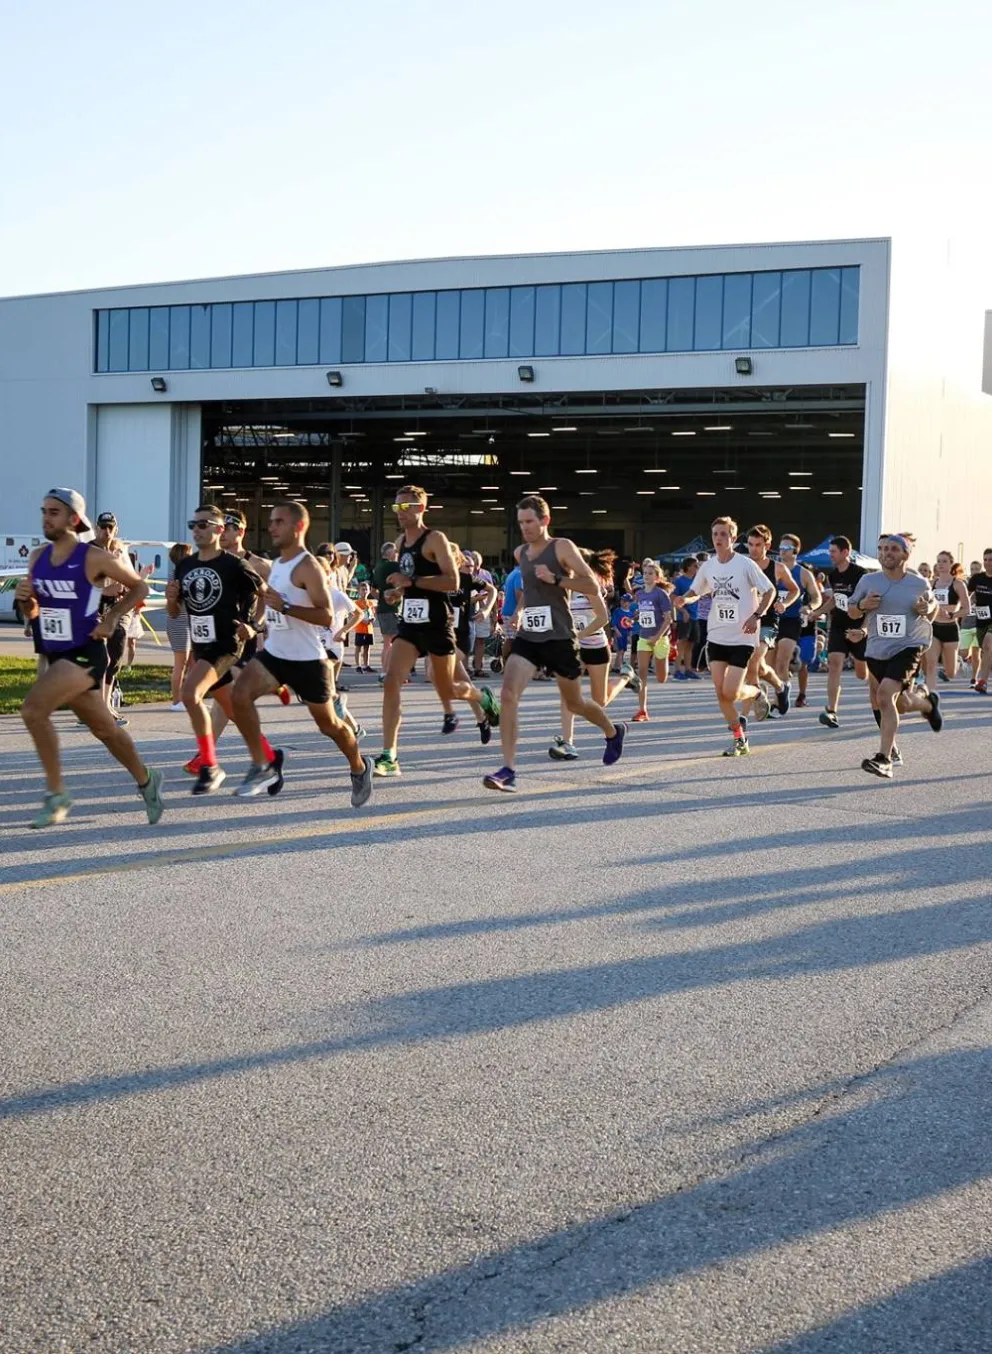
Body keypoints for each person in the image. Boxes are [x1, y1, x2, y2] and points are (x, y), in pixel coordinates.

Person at [16, 488, 165, 828]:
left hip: (86, 651)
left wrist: (112, 619)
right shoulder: (37, 558)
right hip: (55, 654)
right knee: (105, 729)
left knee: (33, 710)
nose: (45, 518)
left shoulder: (92, 557)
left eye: (54, 512)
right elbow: (35, 611)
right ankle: (146, 779)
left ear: (73, 519)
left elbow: (140, 588)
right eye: (43, 511)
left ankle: (57, 794)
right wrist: (27, 602)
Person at [229, 502, 374, 806]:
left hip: (308, 660)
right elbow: (270, 607)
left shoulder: (307, 566)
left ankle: (360, 767)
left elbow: (324, 615)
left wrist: (284, 606)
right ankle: (265, 763)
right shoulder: (278, 564)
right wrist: (257, 625)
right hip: (275, 654)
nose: (271, 527)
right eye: (270, 521)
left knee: (330, 726)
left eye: (278, 522)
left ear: (298, 527)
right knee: (239, 696)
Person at [483, 496, 626, 792]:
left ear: (545, 520)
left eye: (530, 522)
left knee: (575, 702)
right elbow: (529, 591)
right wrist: (520, 612)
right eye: (521, 522)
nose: (525, 528)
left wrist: (557, 579)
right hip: (530, 637)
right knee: (508, 694)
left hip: (561, 637)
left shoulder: (561, 547)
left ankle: (613, 732)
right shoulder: (520, 552)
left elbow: (590, 585)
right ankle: (508, 769)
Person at [374, 486, 499, 777]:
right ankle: (390, 754)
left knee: (448, 688)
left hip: (437, 624)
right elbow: (407, 585)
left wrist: (411, 581)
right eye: (396, 508)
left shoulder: (435, 539)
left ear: (421, 507)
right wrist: (396, 594)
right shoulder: (401, 542)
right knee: (392, 680)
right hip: (410, 623)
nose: (400, 513)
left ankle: (483, 699)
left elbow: (452, 581)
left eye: (406, 507)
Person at [167, 504, 269, 795]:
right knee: (231, 708)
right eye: (193, 525)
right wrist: (172, 599)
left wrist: (254, 625)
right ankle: (269, 758)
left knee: (190, 693)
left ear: (219, 529)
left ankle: (209, 764)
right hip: (202, 645)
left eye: (203, 525)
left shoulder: (235, 564)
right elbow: (175, 612)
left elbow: (266, 595)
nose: (197, 530)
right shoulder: (186, 565)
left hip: (228, 643)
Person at [672, 516, 776, 756]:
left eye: (723, 534)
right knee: (721, 692)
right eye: (715, 534)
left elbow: (769, 590)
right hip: (717, 635)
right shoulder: (708, 566)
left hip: (742, 637)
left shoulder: (745, 564)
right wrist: (684, 599)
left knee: (731, 691)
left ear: (733, 538)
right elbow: (695, 591)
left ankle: (757, 692)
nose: (718, 538)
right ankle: (740, 739)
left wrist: (757, 615)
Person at [849, 533, 942, 778]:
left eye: (893, 549)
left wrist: (927, 608)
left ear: (905, 554)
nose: (886, 553)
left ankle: (884, 758)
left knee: (883, 695)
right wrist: (861, 607)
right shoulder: (868, 581)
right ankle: (926, 703)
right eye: (883, 549)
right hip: (877, 650)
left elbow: (933, 608)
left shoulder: (918, 583)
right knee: (899, 704)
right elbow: (851, 611)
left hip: (908, 648)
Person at [550, 547, 630, 759]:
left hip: (595, 646)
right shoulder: (565, 587)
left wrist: (580, 634)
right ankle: (568, 743)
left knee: (599, 701)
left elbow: (603, 618)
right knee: (568, 696)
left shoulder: (589, 587)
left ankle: (625, 678)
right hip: (574, 649)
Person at [742, 524, 800, 718]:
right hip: (747, 622)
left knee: (753, 659)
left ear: (767, 545)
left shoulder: (778, 568)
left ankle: (760, 701)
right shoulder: (742, 565)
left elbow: (795, 590)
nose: (754, 549)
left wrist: (784, 603)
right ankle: (780, 687)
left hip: (767, 622)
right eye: (750, 545)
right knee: (759, 667)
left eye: (758, 545)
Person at [443, 549, 497, 741]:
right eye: (467, 566)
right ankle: (483, 714)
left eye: (473, 567)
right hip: (441, 633)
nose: (471, 569)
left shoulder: (467, 580)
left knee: (443, 678)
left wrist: (486, 610)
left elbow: (492, 590)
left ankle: (457, 713)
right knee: (463, 681)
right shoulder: (439, 578)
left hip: (461, 634)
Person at [818, 535, 871, 729]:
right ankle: (832, 710)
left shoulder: (861, 574)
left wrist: (864, 629)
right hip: (839, 627)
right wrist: (817, 612)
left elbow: (869, 605)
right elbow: (834, 600)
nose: (830, 555)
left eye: (833, 551)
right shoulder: (833, 576)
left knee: (860, 673)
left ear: (845, 552)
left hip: (857, 628)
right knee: (834, 665)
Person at [93, 511, 131, 726]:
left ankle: (106, 705)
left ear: (116, 529)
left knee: (115, 658)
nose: (106, 531)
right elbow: (81, 584)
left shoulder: (120, 549)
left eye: (110, 527)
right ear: (96, 528)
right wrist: (104, 590)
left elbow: (130, 577)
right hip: (95, 609)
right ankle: (96, 707)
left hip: (118, 609)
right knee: (99, 658)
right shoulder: (89, 550)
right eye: (103, 527)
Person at [772, 535, 823, 689]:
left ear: (795, 551)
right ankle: (782, 689)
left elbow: (817, 597)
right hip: (772, 620)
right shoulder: (772, 569)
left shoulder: (803, 573)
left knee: (784, 663)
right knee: (771, 665)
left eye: (786, 548)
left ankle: (785, 698)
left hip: (792, 620)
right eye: (780, 548)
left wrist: (810, 607)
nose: (782, 552)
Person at [631, 559, 673, 721]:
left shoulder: (661, 594)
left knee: (661, 678)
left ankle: (666, 657)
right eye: (645, 573)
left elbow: (668, 619)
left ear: (657, 577)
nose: (647, 576)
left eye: (650, 574)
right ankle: (642, 710)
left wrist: (657, 637)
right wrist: (634, 618)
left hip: (660, 639)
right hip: (643, 637)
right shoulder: (640, 594)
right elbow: (644, 613)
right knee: (641, 674)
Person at [924, 552, 970, 688]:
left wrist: (952, 615)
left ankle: (959, 662)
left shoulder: (958, 584)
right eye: (939, 561)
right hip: (934, 627)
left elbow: (967, 609)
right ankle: (931, 697)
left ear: (951, 564)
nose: (941, 564)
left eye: (944, 561)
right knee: (931, 664)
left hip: (950, 628)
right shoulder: (931, 584)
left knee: (950, 673)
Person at [165, 541, 192, 709]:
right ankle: (177, 701)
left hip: (187, 622)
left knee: (190, 663)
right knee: (180, 663)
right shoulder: (178, 577)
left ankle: (186, 698)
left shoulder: (184, 575)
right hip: (179, 623)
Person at [371, 543, 400, 679]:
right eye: (395, 552)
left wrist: (381, 598)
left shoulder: (378, 566)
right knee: (392, 642)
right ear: (389, 552)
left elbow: (373, 589)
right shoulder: (392, 565)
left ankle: (385, 671)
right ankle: (387, 672)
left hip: (382, 607)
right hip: (391, 608)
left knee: (387, 642)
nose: (397, 554)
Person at [967, 548, 992, 693]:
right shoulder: (977, 579)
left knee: (988, 644)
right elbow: (967, 595)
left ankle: (982, 682)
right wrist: (963, 608)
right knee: (986, 651)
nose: (988, 563)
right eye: (986, 560)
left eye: (991, 560)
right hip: (981, 619)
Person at [672, 558, 700, 679]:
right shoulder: (679, 581)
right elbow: (673, 598)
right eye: (695, 566)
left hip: (695, 616)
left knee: (690, 645)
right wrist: (683, 611)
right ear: (688, 567)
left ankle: (688, 669)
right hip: (684, 617)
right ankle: (677, 670)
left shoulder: (696, 581)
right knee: (681, 644)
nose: (697, 568)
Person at [353, 580, 376, 672]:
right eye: (363, 590)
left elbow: (372, 613)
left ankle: (367, 665)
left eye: (366, 589)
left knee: (367, 647)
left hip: (369, 629)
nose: (365, 591)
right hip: (360, 628)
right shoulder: (357, 603)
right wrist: (364, 620)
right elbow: (356, 615)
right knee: (358, 647)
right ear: (359, 591)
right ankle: (358, 665)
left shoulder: (370, 603)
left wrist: (372, 619)